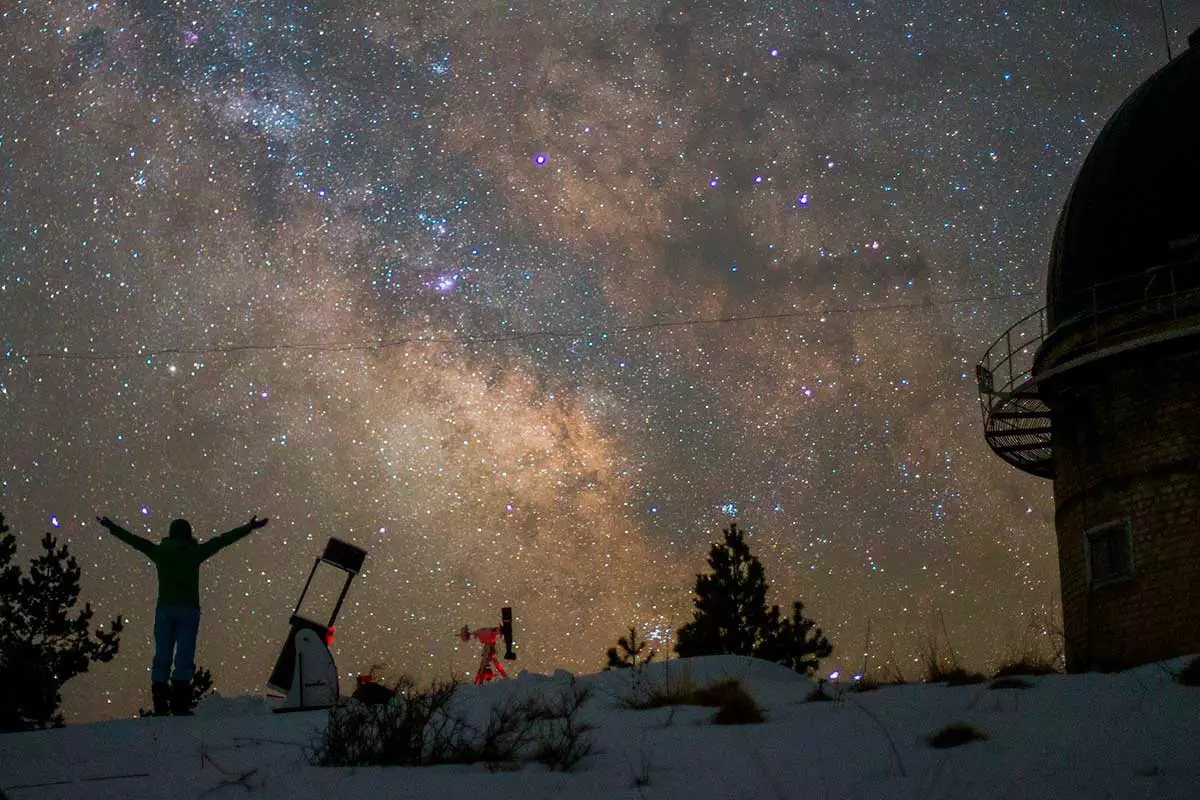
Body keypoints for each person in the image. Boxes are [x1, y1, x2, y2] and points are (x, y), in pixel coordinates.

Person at [97, 514, 270, 716]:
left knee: (162, 655)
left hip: (165, 610)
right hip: (188, 610)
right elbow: (222, 541)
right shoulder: (194, 552)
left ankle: (161, 706)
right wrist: (248, 527)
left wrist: (112, 527)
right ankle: (180, 705)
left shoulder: (160, 552)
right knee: (184, 656)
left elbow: (135, 541)